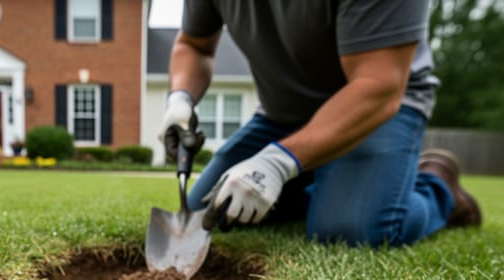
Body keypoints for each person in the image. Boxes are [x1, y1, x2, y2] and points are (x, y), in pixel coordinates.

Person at [159, 0, 481, 247]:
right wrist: (180, 99)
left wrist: (275, 163)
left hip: (376, 109)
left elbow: (379, 86)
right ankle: (328, 184)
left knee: (347, 230)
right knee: (208, 212)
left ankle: (439, 188)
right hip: (281, 114)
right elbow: (194, 45)